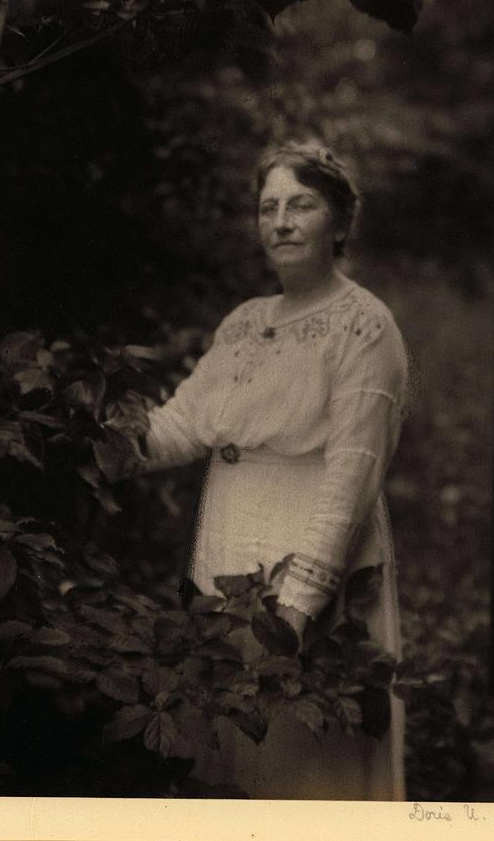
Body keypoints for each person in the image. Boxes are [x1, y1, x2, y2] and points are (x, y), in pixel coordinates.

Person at [133, 140, 408, 800]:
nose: (281, 221)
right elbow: (180, 426)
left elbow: (353, 473)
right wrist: (95, 433)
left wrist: (300, 604)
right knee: (233, 747)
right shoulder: (243, 324)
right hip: (226, 553)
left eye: (301, 205)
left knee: (305, 756)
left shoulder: (364, 326)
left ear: (339, 222)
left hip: (306, 562)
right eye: (268, 208)